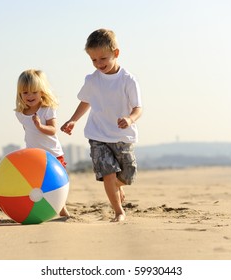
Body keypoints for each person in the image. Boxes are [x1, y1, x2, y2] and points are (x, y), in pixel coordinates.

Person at [61, 29, 142, 222]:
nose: (99, 64)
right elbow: (86, 101)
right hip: (98, 135)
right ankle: (118, 211)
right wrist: (73, 120)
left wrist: (130, 119)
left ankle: (118, 186)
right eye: (94, 60)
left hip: (122, 136)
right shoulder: (92, 80)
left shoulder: (128, 80)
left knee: (129, 174)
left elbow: (138, 108)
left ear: (116, 53)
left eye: (103, 58)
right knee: (108, 174)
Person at [15, 69, 69, 217]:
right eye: (25, 92)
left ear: (42, 92)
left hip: (53, 154)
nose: (29, 96)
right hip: (34, 156)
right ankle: (36, 208)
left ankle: (62, 209)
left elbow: (52, 130)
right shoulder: (20, 114)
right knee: (36, 185)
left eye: (34, 92)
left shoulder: (47, 110)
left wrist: (40, 126)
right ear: (20, 94)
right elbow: (28, 132)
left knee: (56, 183)